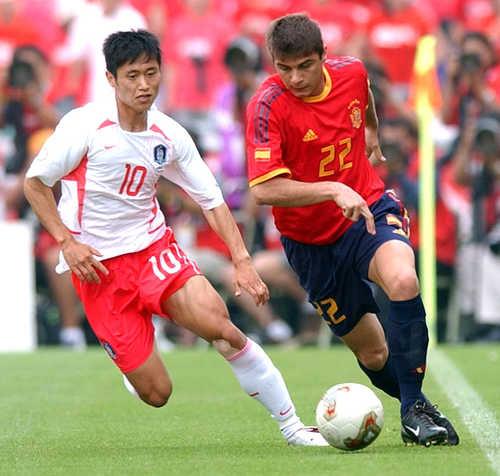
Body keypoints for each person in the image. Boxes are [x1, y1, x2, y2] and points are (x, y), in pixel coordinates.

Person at [23, 29, 327, 447]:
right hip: (98, 269)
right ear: (111, 79)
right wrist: (67, 242)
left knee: (222, 328)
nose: (143, 85)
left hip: (153, 251)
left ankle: (293, 427)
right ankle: (135, 364)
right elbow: (35, 184)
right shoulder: (84, 126)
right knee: (156, 393)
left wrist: (242, 262)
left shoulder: (169, 134)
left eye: (151, 73)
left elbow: (211, 200)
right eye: (132, 76)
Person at [245, 13, 460, 447]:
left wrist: (371, 131)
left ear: (323, 56)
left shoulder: (352, 71)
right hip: (310, 243)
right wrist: (331, 189)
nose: (295, 78)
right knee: (374, 352)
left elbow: (365, 95)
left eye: (305, 66)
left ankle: (414, 411)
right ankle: (417, 404)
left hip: (367, 210)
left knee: (402, 280)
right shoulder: (267, 105)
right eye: (284, 68)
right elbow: (264, 190)